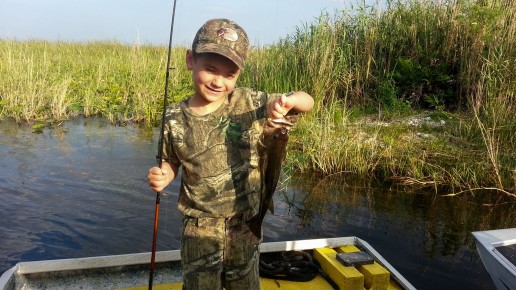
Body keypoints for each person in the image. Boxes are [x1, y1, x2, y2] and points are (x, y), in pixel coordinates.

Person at [147, 18, 314, 290]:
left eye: (229, 74)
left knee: (245, 283)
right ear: (191, 60)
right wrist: (164, 175)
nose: (218, 81)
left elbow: (307, 101)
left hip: (246, 222)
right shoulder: (174, 116)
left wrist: (289, 101)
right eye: (210, 69)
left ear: (238, 75)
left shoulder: (247, 101)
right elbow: (172, 161)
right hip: (198, 227)